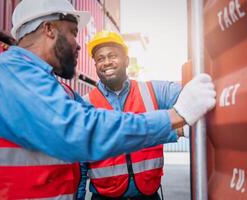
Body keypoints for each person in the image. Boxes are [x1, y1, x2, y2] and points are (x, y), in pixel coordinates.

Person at [0, 0, 216, 199]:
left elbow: (108, 123)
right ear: (49, 29)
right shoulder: (9, 72)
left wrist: (176, 129)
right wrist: (176, 116)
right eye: (72, 32)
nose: (77, 44)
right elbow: (81, 131)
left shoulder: (57, 89)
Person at [78, 31, 190, 200]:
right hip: (104, 197)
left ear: (126, 61)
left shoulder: (153, 91)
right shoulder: (86, 104)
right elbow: (80, 163)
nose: (106, 62)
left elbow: (190, 94)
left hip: (148, 195)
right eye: (100, 59)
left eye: (112, 56)